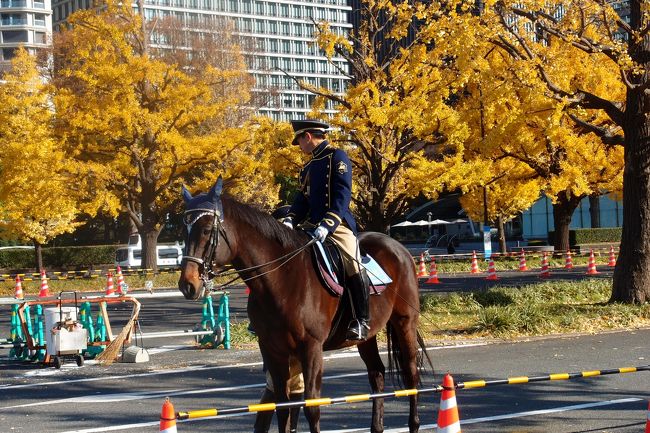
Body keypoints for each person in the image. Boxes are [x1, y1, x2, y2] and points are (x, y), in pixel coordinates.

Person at [281, 119, 370, 340]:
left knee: (352, 261)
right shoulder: (308, 167)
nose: (300, 147)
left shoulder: (337, 157)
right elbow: (302, 199)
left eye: (299, 141)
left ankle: (361, 320)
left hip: (337, 224)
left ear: (307, 137)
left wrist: (328, 224)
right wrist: (290, 219)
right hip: (311, 225)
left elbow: (342, 195)